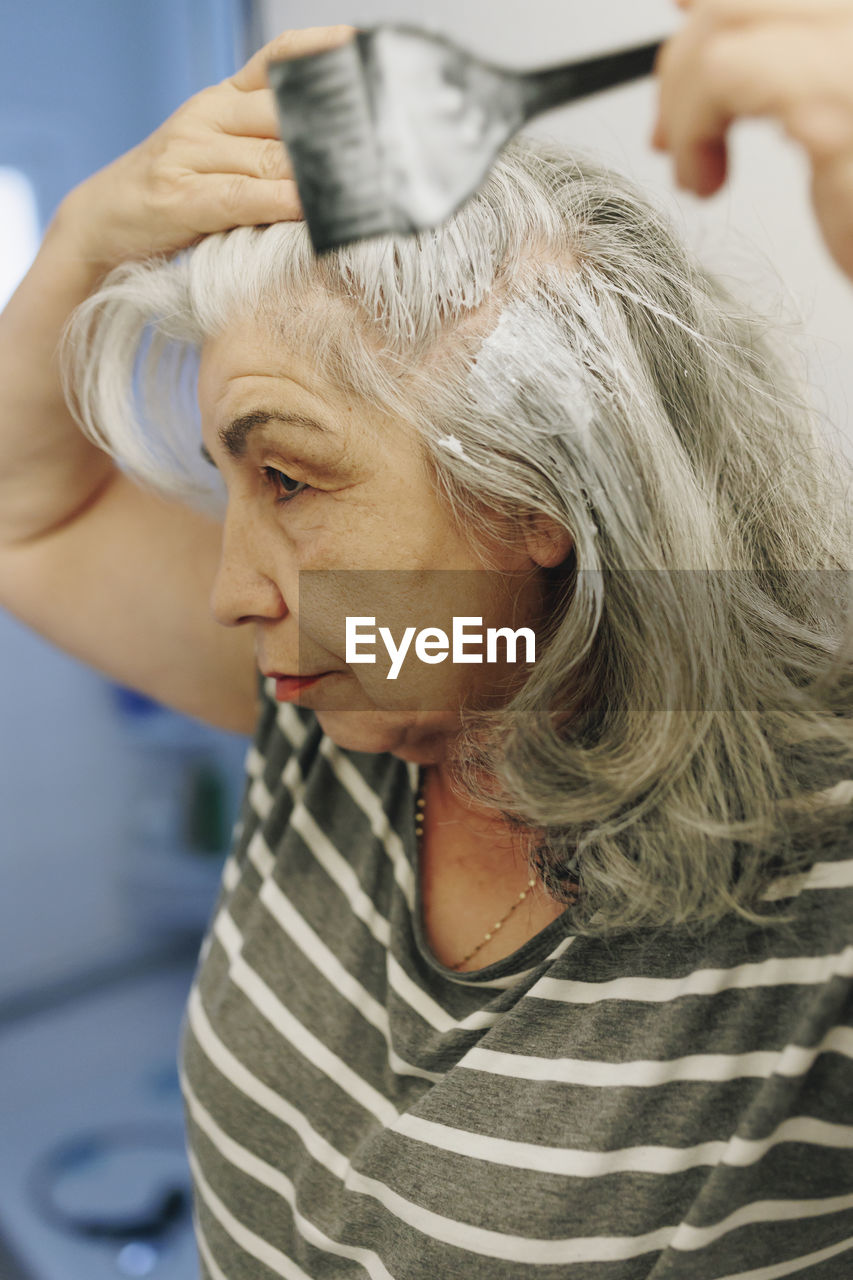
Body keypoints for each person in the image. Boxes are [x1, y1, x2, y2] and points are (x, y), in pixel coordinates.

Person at [1, 4, 852, 1277]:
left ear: (537, 489)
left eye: (287, 477)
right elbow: (29, 510)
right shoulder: (338, 707)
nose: (235, 589)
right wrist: (86, 235)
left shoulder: (812, 875)